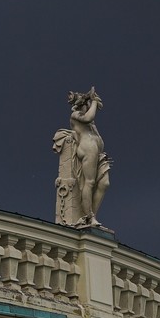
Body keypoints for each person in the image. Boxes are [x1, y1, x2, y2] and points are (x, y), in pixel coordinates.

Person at [53, 88, 110, 227]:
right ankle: (89, 217)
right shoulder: (76, 115)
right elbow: (88, 117)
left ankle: (92, 215)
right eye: (87, 103)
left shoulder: (90, 122)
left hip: (98, 153)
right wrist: (95, 102)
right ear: (82, 104)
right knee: (89, 183)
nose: (89, 106)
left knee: (104, 183)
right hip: (88, 150)